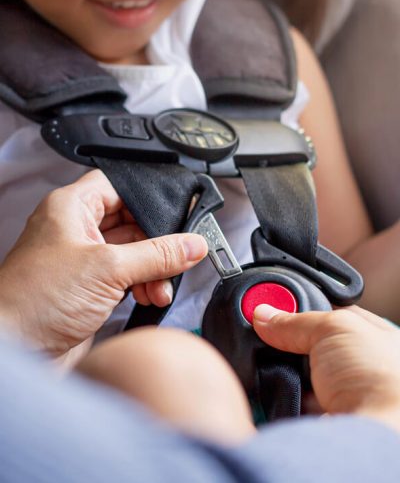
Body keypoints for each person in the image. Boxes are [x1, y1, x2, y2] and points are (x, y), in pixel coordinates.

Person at [0, 0, 399, 368]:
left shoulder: (271, 63)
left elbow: (345, 276)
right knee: (167, 371)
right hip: (92, 413)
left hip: (299, 395)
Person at [0, 171, 399, 482]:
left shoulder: (272, 70)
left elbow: (347, 265)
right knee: (155, 369)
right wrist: (388, 411)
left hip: (343, 347)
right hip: (145, 393)